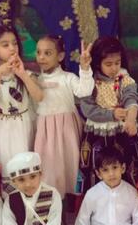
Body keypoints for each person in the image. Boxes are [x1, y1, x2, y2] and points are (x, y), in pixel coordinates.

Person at [79, 36, 138, 188]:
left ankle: (129, 196)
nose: (114, 68)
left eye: (117, 63)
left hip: (122, 130)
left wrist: (131, 119)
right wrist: (112, 114)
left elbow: (131, 97)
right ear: (98, 63)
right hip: (97, 133)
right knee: (98, 166)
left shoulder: (123, 78)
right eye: (108, 64)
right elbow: (88, 109)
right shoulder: (90, 80)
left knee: (128, 164)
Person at [0, 26, 43, 172]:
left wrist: (22, 74)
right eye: (5, 45)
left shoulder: (26, 73)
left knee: (22, 169)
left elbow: (39, 97)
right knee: (1, 168)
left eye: (15, 43)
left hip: (21, 127)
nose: (12, 48)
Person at [34, 34, 94, 195]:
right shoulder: (34, 80)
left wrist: (85, 69)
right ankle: (52, 201)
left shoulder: (68, 78)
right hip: (44, 132)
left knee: (70, 164)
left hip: (67, 129)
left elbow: (84, 91)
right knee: (46, 168)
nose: (41, 57)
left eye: (48, 53)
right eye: (38, 52)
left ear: (60, 56)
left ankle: (70, 202)